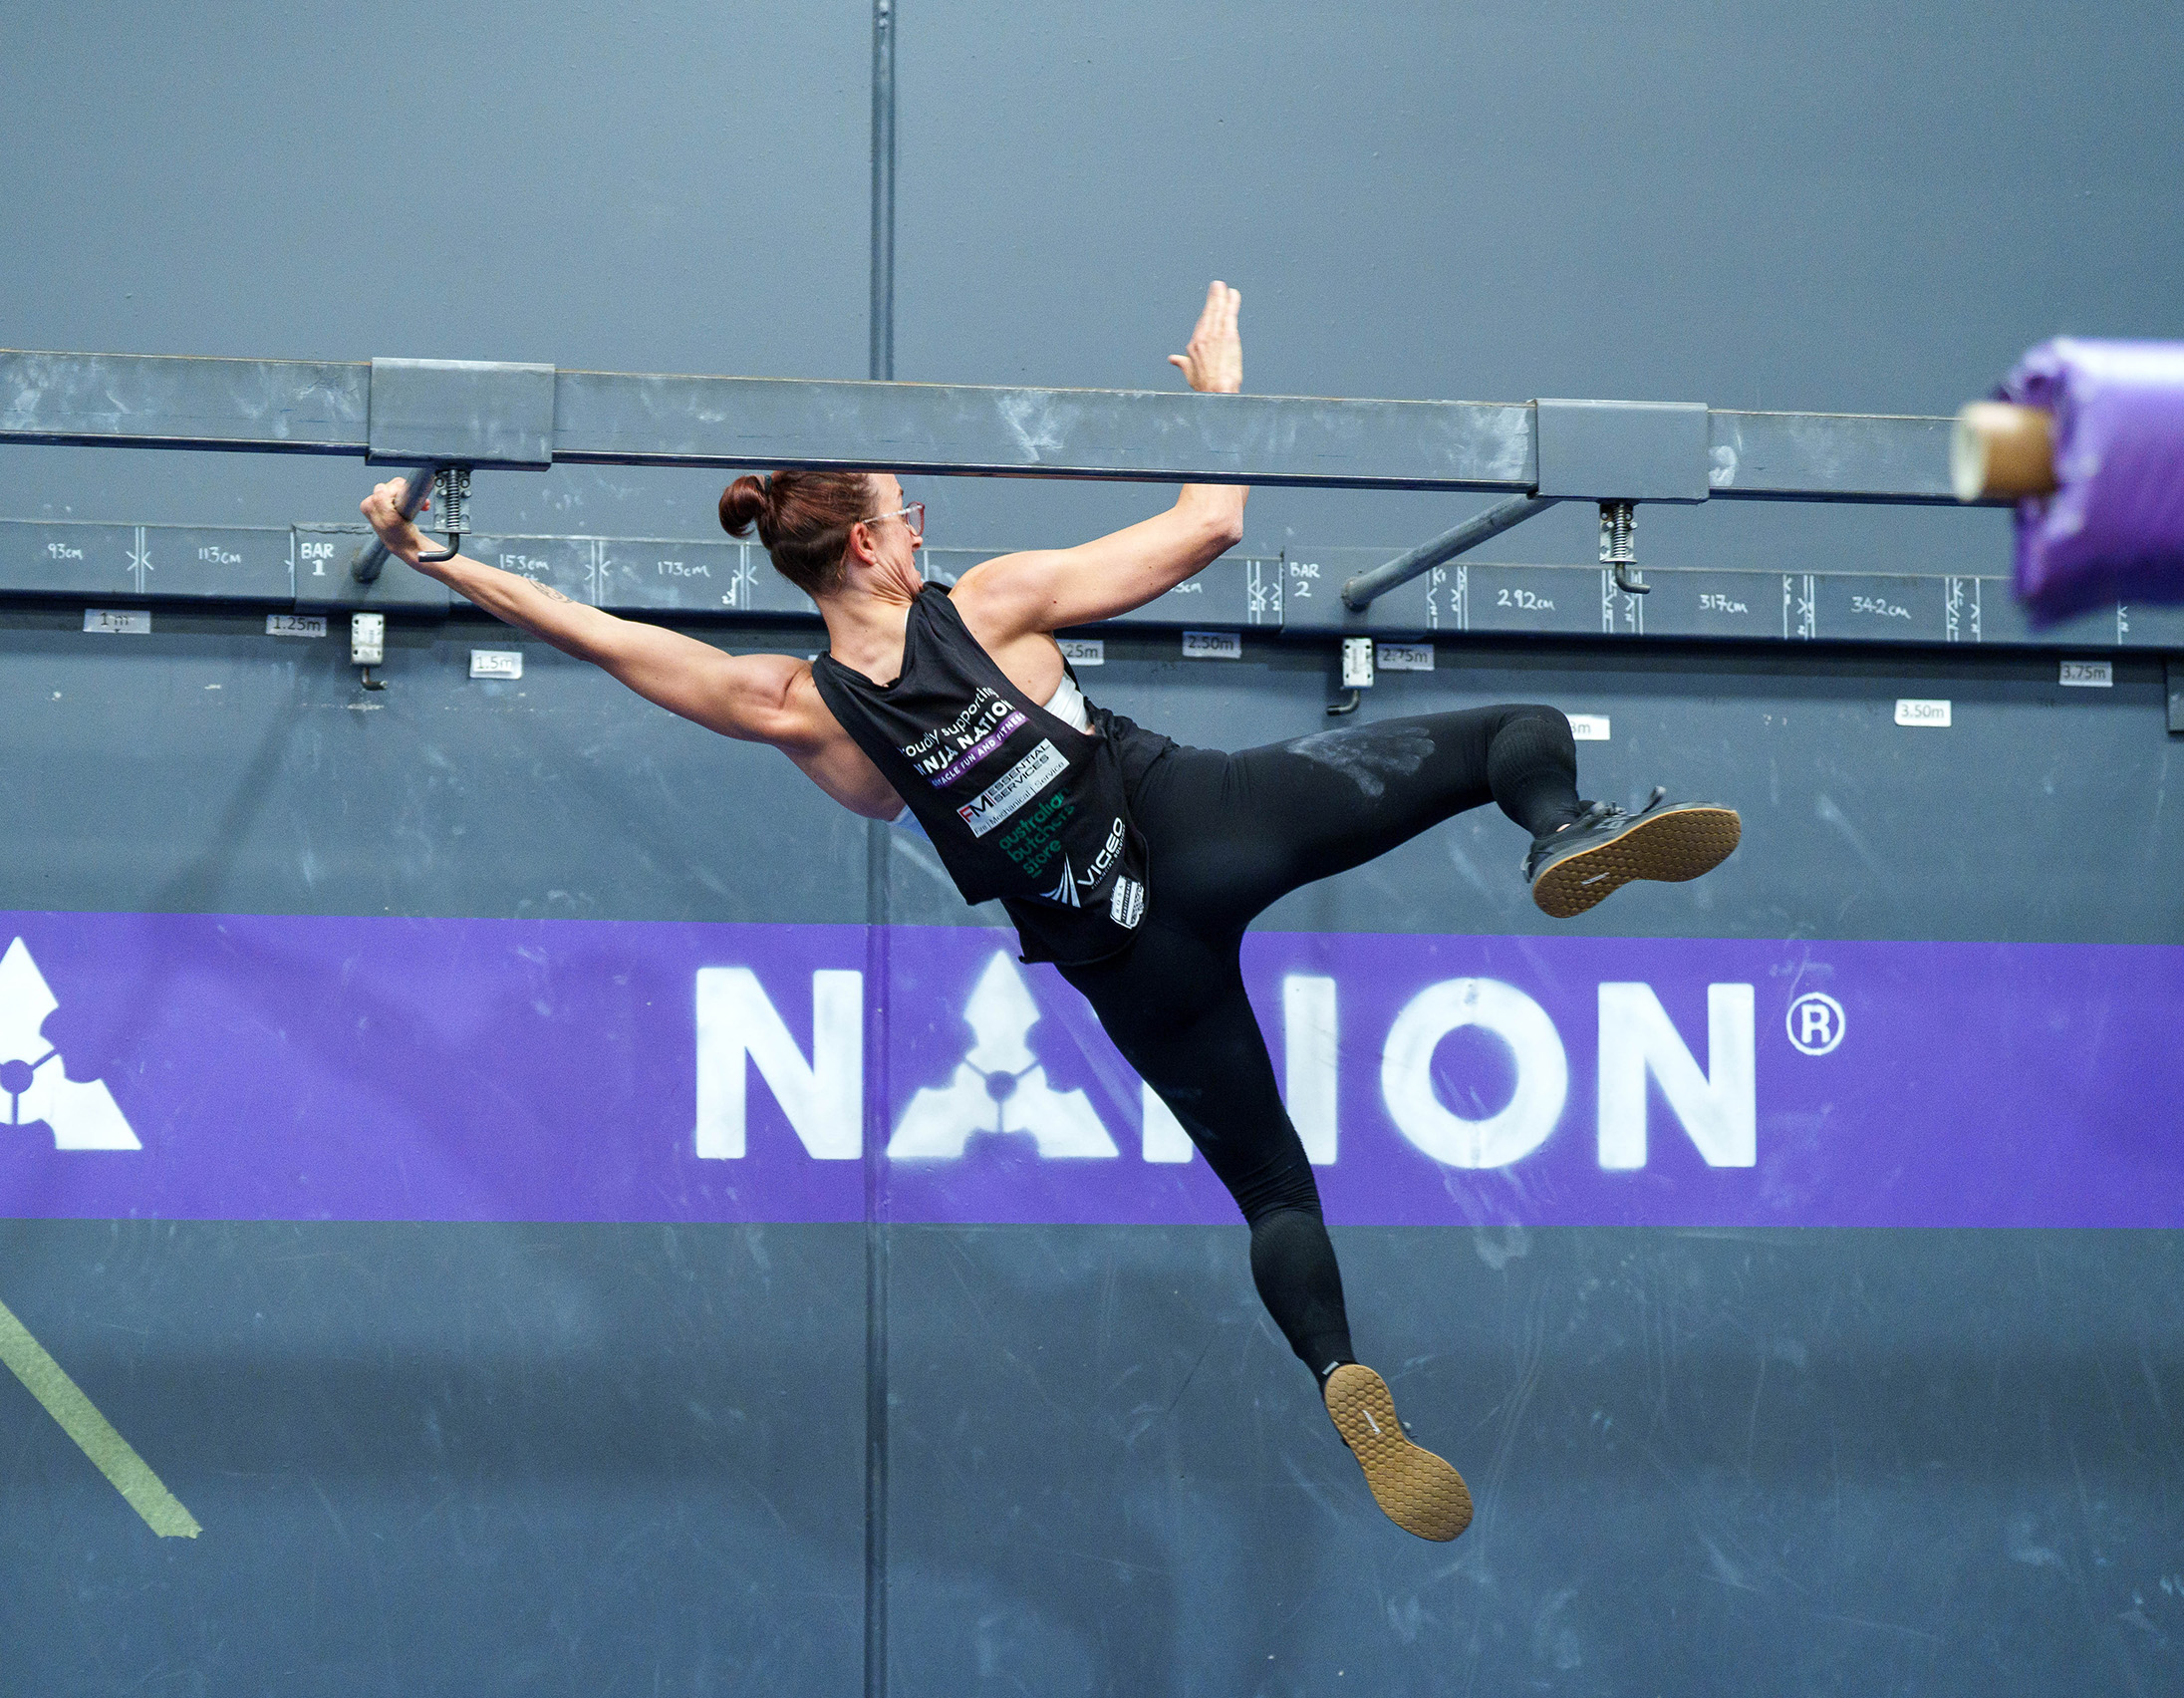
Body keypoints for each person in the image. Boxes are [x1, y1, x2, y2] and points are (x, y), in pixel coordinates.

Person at [359, 283, 1741, 1542]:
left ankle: (1337, 1367)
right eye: (906, 512)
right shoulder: (990, 605)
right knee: (1514, 734)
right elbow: (1211, 526)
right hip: (1202, 827)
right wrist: (1221, 402)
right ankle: (1562, 831)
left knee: (1271, 1188)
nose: (923, 526)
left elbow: (604, 638)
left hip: (1121, 962)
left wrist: (445, 562)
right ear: (869, 543)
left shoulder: (801, 711)